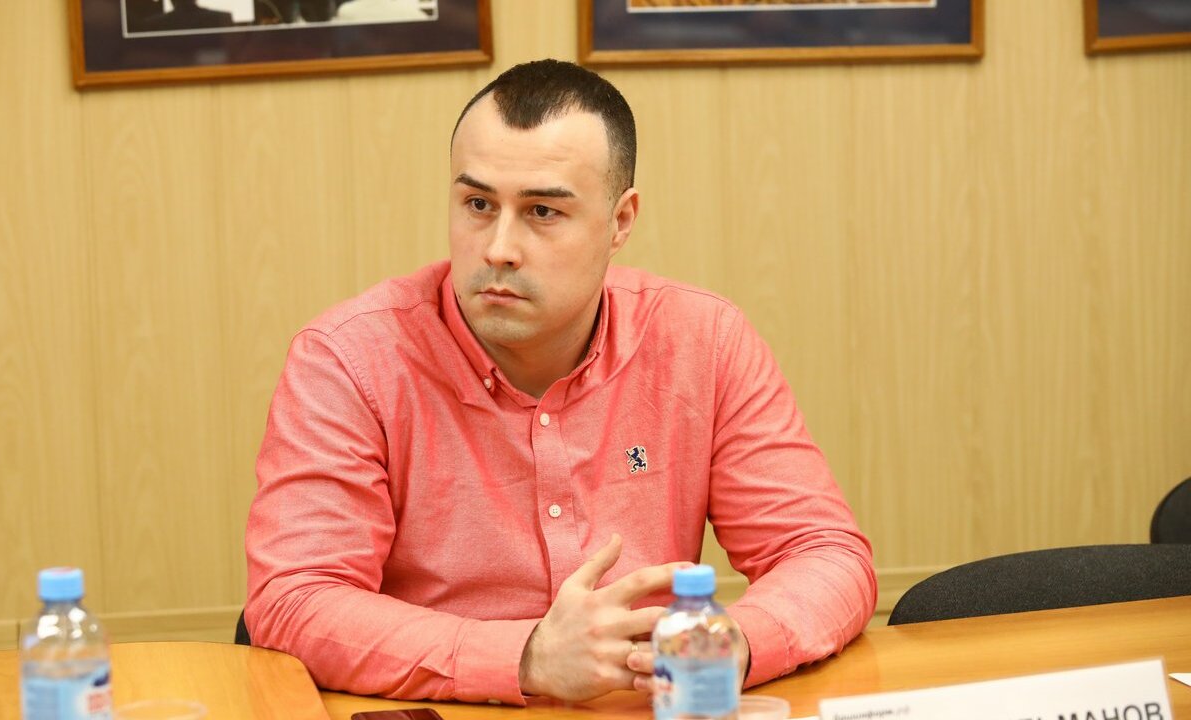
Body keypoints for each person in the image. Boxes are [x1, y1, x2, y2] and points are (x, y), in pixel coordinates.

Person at [244, 58, 876, 705]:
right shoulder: (347, 360)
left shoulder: (702, 340)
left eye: (542, 211)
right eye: (478, 204)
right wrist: (525, 658)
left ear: (620, 221)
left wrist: (735, 641)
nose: (499, 248)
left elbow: (822, 551)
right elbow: (295, 599)